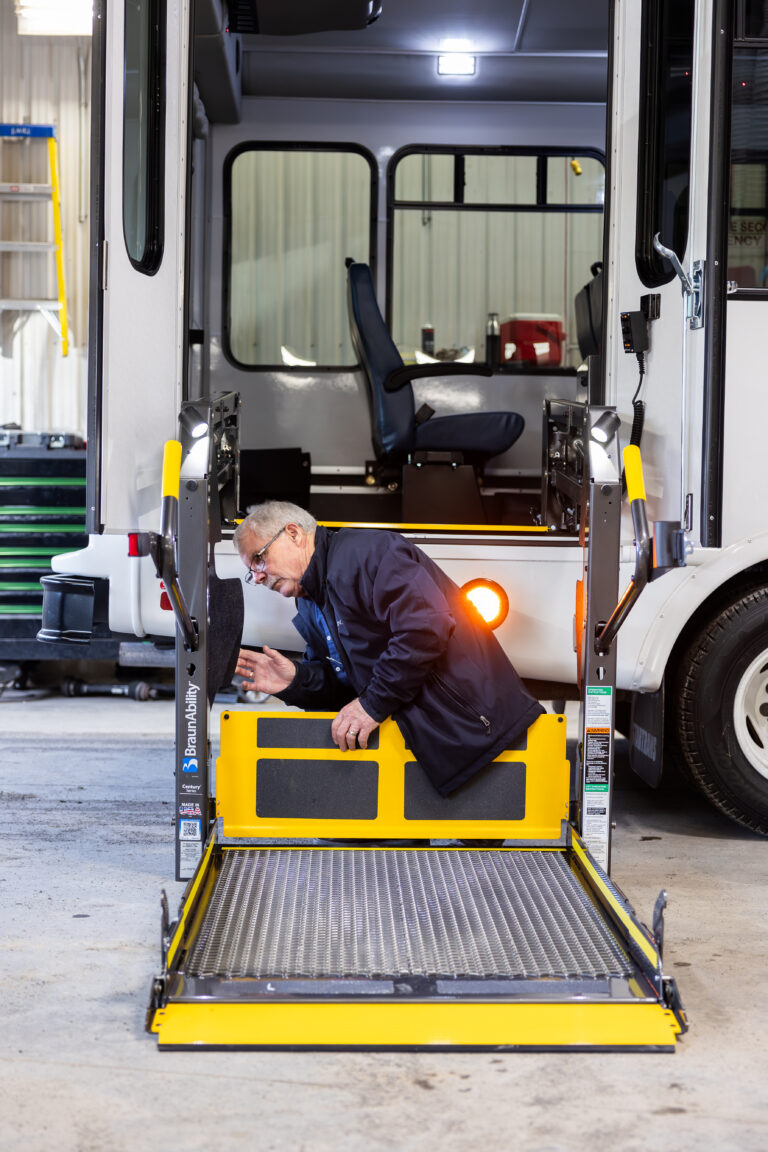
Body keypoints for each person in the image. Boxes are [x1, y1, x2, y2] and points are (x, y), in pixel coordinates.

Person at [234, 501, 544, 797]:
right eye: (252, 571)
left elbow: (423, 628)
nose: (259, 576)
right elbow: (344, 689)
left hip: (481, 740)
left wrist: (373, 704)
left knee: (483, 851)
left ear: (293, 533)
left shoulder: (368, 554)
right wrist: (295, 681)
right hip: (429, 756)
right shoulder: (310, 601)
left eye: (259, 558)